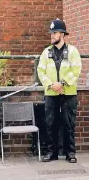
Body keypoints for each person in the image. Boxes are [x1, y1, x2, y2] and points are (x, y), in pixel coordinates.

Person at [37, 18, 82, 163]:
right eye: (51, 33)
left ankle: (70, 153)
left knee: (69, 124)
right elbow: (40, 71)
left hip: (68, 93)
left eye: (54, 33)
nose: (52, 35)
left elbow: (76, 70)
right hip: (51, 93)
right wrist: (51, 85)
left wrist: (62, 83)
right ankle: (52, 152)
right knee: (51, 123)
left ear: (62, 34)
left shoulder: (73, 51)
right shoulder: (46, 52)